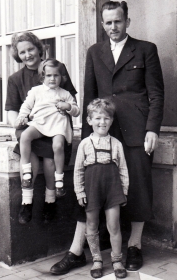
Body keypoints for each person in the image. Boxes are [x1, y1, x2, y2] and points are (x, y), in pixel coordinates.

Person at [50, 0, 164, 274]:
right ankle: (77, 250)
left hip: (136, 131)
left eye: (118, 21)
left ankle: (134, 246)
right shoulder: (94, 52)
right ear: (102, 25)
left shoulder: (146, 50)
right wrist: (87, 137)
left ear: (127, 21)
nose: (113, 26)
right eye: (108, 22)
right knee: (90, 188)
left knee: (137, 186)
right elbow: (90, 94)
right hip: (101, 130)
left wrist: (152, 128)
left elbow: (156, 93)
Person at [5, 32, 77, 225]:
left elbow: (71, 99)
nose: (28, 54)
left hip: (55, 124)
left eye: (31, 49)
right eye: (22, 52)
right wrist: (18, 122)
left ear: (39, 48)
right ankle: (27, 202)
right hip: (31, 123)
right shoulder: (15, 79)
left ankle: (50, 201)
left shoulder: (55, 67)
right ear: (18, 55)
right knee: (30, 160)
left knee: (50, 162)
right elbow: (12, 108)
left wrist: (66, 109)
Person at [74, 98, 128, 279]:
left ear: (111, 120)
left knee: (114, 225)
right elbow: (78, 170)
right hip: (92, 189)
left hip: (113, 189)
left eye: (106, 118)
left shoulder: (116, 144)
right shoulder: (85, 144)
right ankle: (97, 260)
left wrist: (124, 191)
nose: (102, 122)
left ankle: (117, 260)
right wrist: (80, 192)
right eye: (97, 118)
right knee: (91, 225)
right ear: (89, 120)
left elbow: (123, 170)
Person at [15, 58, 80, 201]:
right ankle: (26, 171)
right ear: (43, 76)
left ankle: (59, 179)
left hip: (57, 125)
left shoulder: (65, 94)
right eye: (48, 75)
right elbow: (26, 106)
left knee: (58, 145)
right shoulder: (36, 91)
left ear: (62, 77)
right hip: (40, 122)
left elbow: (76, 111)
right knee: (25, 136)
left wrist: (68, 107)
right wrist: (22, 117)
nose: (52, 79)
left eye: (56, 75)